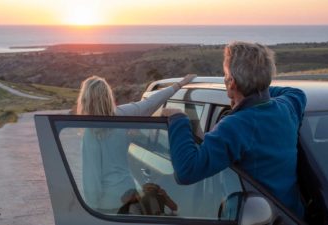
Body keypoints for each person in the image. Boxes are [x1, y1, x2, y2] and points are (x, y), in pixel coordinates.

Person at [162, 41, 306, 218]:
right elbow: (297, 93)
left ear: (231, 82)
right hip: (292, 215)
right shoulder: (288, 106)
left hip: (257, 218)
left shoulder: (235, 126)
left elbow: (186, 171)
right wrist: (257, 87)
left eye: (226, 76)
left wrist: (178, 118)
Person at [78, 74, 195, 212]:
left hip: (107, 204)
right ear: (108, 96)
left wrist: (91, 209)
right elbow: (150, 103)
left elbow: (92, 179)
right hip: (128, 194)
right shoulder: (123, 114)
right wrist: (179, 85)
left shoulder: (90, 133)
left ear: (86, 100)